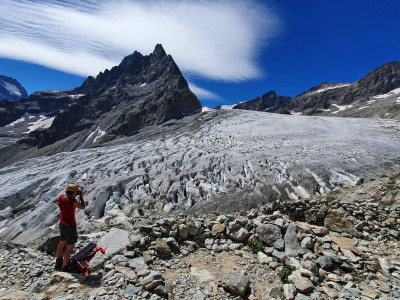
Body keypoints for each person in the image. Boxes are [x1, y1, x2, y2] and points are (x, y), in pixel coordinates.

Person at [55, 183, 86, 272]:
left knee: (61, 242)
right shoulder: (73, 202)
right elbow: (83, 207)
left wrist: (76, 193)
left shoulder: (61, 197)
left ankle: (58, 261)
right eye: (76, 192)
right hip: (70, 226)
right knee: (69, 248)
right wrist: (81, 195)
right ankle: (65, 267)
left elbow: (66, 199)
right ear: (73, 193)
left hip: (62, 224)